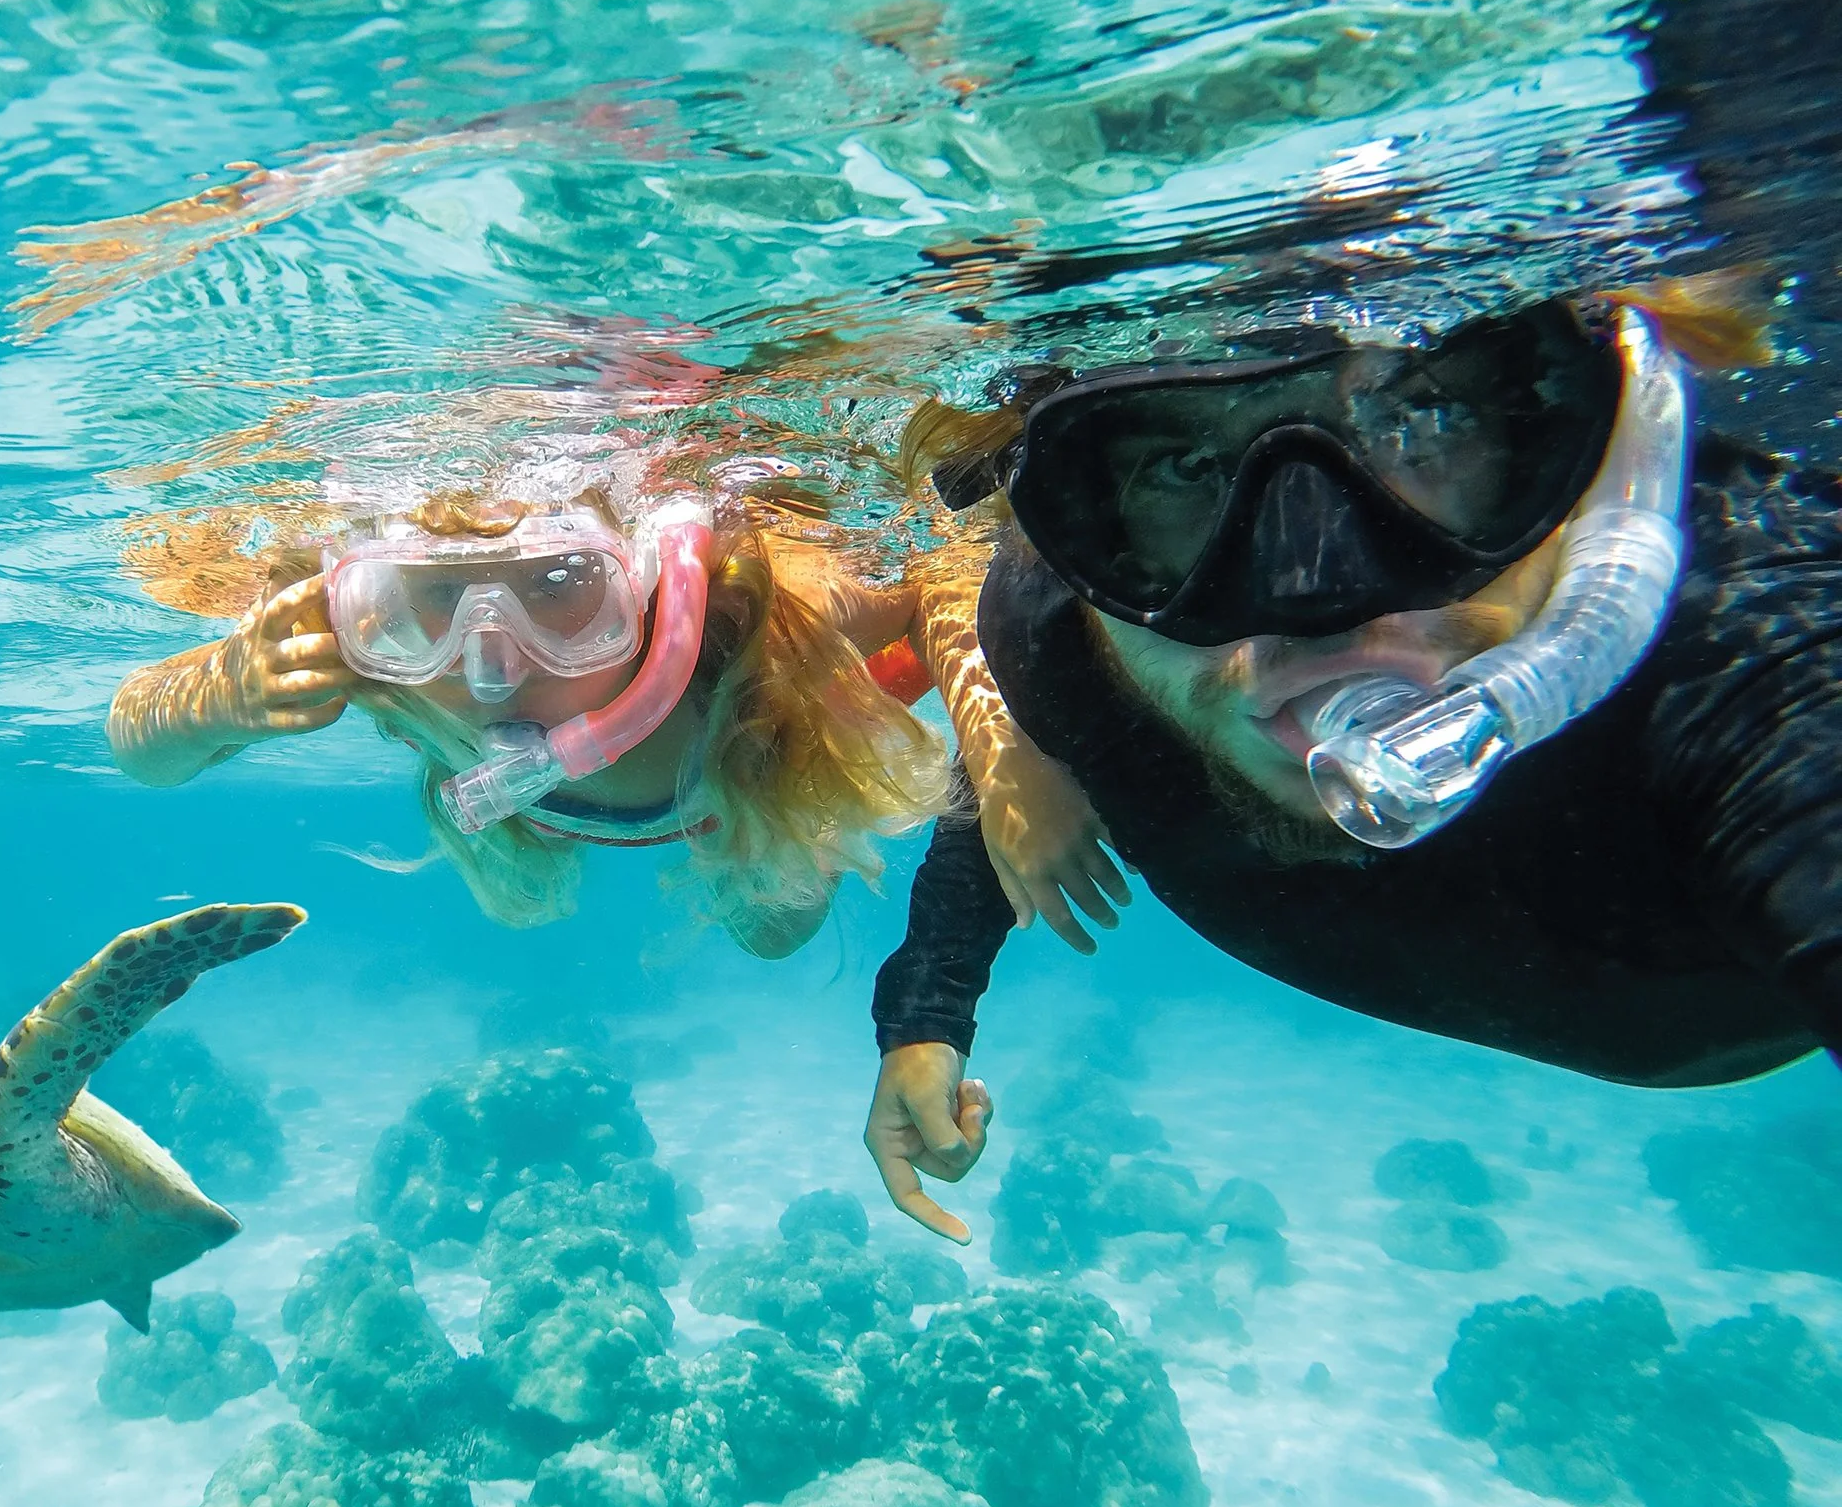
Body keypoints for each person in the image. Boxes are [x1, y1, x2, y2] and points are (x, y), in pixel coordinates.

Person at [860, 280, 1842, 1240]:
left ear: (1587, 450)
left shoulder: (1752, 650)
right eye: (1179, 472)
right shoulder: (1062, 633)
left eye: (1423, 423)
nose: (1314, 596)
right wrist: (925, 1017)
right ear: (1082, 536)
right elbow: (1033, 760)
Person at [107, 483, 1129, 959]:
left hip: (754, 773)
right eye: (432, 597)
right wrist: (220, 700)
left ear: (646, 586)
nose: (491, 660)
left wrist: (1009, 759)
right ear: (376, 599)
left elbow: (943, 569)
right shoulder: (368, 662)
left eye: (558, 584)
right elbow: (137, 743)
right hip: (558, 822)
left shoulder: (753, 626)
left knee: (776, 932)